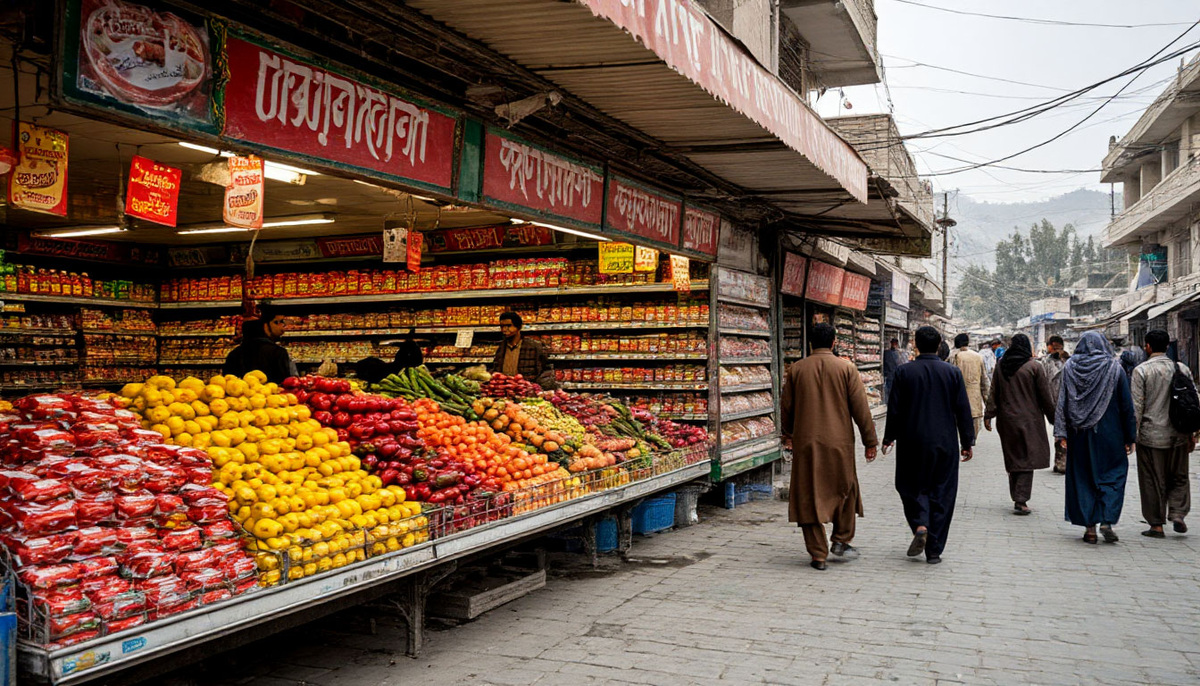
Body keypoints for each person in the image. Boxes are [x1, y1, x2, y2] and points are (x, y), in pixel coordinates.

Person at [780, 324, 878, 571]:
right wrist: (870, 441)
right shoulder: (846, 368)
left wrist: (788, 434)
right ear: (834, 342)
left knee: (808, 493)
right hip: (839, 443)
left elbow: (786, 408)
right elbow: (861, 409)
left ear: (810, 343)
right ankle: (841, 540)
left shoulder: (796, 370)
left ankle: (818, 554)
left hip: (807, 443)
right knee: (846, 488)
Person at [882, 326, 975, 564]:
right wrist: (967, 441)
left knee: (910, 486)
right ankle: (934, 550)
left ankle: (920, 524)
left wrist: (888, 437)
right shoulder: (952, 373)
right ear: (939, 345)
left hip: (911, 441)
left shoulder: (904, 372)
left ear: (915, 344)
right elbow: (963, 410)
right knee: (942, 492)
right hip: (945, 442)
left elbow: (894, 409)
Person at [1054, 331, 1136, 544]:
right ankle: (1107, 519)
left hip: (1079, 434)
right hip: (1110, 434)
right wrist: (1130, 436)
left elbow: (1061, 402)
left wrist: (1061, 433)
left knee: (1082, 478)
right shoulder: (1114, 369)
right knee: (1113, 475)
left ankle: (1090, 529)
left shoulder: (1070, 368)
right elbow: (1127, 406)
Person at [983, 334, 1056, 515]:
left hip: (1006, 420)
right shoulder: (1034, 367)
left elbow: (994, 392)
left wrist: (989, 415)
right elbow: (1045, 396)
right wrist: (1055, 419)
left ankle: (1017, 495)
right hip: (1029, 420)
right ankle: (1021, 499)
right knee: (1026, 458)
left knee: (1014, 457)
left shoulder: (1002, 366)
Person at [1130, 329, 1192, 538]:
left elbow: (1136, 407)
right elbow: (1192, 403)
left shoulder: (1141, 371)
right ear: (1167, 346)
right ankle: (1178, 513)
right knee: (1179, 476)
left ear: (1147, 346)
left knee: (1151, 480)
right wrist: (1193, 434)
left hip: (1151, 436)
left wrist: (1131, 437)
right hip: (1179, 435)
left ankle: (1156, 524)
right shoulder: (1181, 368)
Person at [222, 303, 297, 384]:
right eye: (278, 322)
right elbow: (288, 383)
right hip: (272, 395)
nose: (282, 326)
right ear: (265, 326)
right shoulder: (278, 353)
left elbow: (227, 383)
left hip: (240, 395)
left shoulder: (234, 354)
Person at [490, 311, 556, 389]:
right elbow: (496, 369)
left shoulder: (534, 346)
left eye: (508, 326)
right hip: (505, 392)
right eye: (502, 326)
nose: (504, 329)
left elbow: (547, 370)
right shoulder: (501, 348)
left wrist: (538, 388)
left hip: (527, 393)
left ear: (519, 327)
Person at [950, 333, 988, 442]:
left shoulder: (952, 356)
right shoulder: (978, 357)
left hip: (955, 401)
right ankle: (969, 443)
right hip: (974, 402)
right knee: (972, 430)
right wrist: (988, 405)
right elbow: (984, 382)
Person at [1042, 335, 1071, 473]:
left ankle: (1061, 463)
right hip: (1066, 403)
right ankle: (1063, 462)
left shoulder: (1048, 362)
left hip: (1058, 402)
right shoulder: (1071, 361)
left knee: (1060, 433)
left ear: (1052, 345)